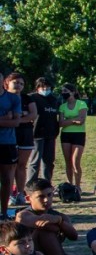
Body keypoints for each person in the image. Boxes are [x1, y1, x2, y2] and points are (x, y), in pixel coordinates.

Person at [16, 179, 92, 255]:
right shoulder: (23, 215)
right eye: (41, 197)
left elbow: (73, 236)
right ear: (28, 199)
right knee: (44, 232)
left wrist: (59, 221)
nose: (46, 200)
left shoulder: (59, 216)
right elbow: (45, 226)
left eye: (49, 194)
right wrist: (59, 224)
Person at [27, 77, 60, 185]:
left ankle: (46, 184)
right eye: (43, 87)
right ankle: (31, 185)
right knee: (35, 162)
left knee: (48, 162)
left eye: (48, 87)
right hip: (36, 134)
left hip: (51, 134)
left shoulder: (54, 100)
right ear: (37, 87)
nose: (45, 89)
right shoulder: (32, 98)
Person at [57, 83, 87, 196]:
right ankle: (70, 185)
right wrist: (73, 120)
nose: (64, 93)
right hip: (65, 135)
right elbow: (60, 123)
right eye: (62, 91)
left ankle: (78, 186)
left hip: (79, 135)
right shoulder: (62, 106)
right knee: (68, 162)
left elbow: (81, 120)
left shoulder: (81, 104)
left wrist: (68, 120)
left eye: (66, 91)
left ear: (73, 92)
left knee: (75, 161)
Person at [11, 74, 35, 207]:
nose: (18, 85)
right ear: (7, 83)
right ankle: (9, 194)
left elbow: (33, 114)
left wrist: (16, 118)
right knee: (9, 166)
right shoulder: (4, 98)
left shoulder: (27, 98)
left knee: (21, 165)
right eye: (15, 82)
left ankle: (20, 193)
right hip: (8, 134)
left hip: (25, 133)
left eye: (21, 83)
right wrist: (20, 116)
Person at [0, 74, 22, 217]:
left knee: (7, 179)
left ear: (3, 81)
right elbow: (10, 119)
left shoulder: (13, 98)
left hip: (7, 142)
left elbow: (16, 122)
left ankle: (4, 212)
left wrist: (10, 119)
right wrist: (5, 118)